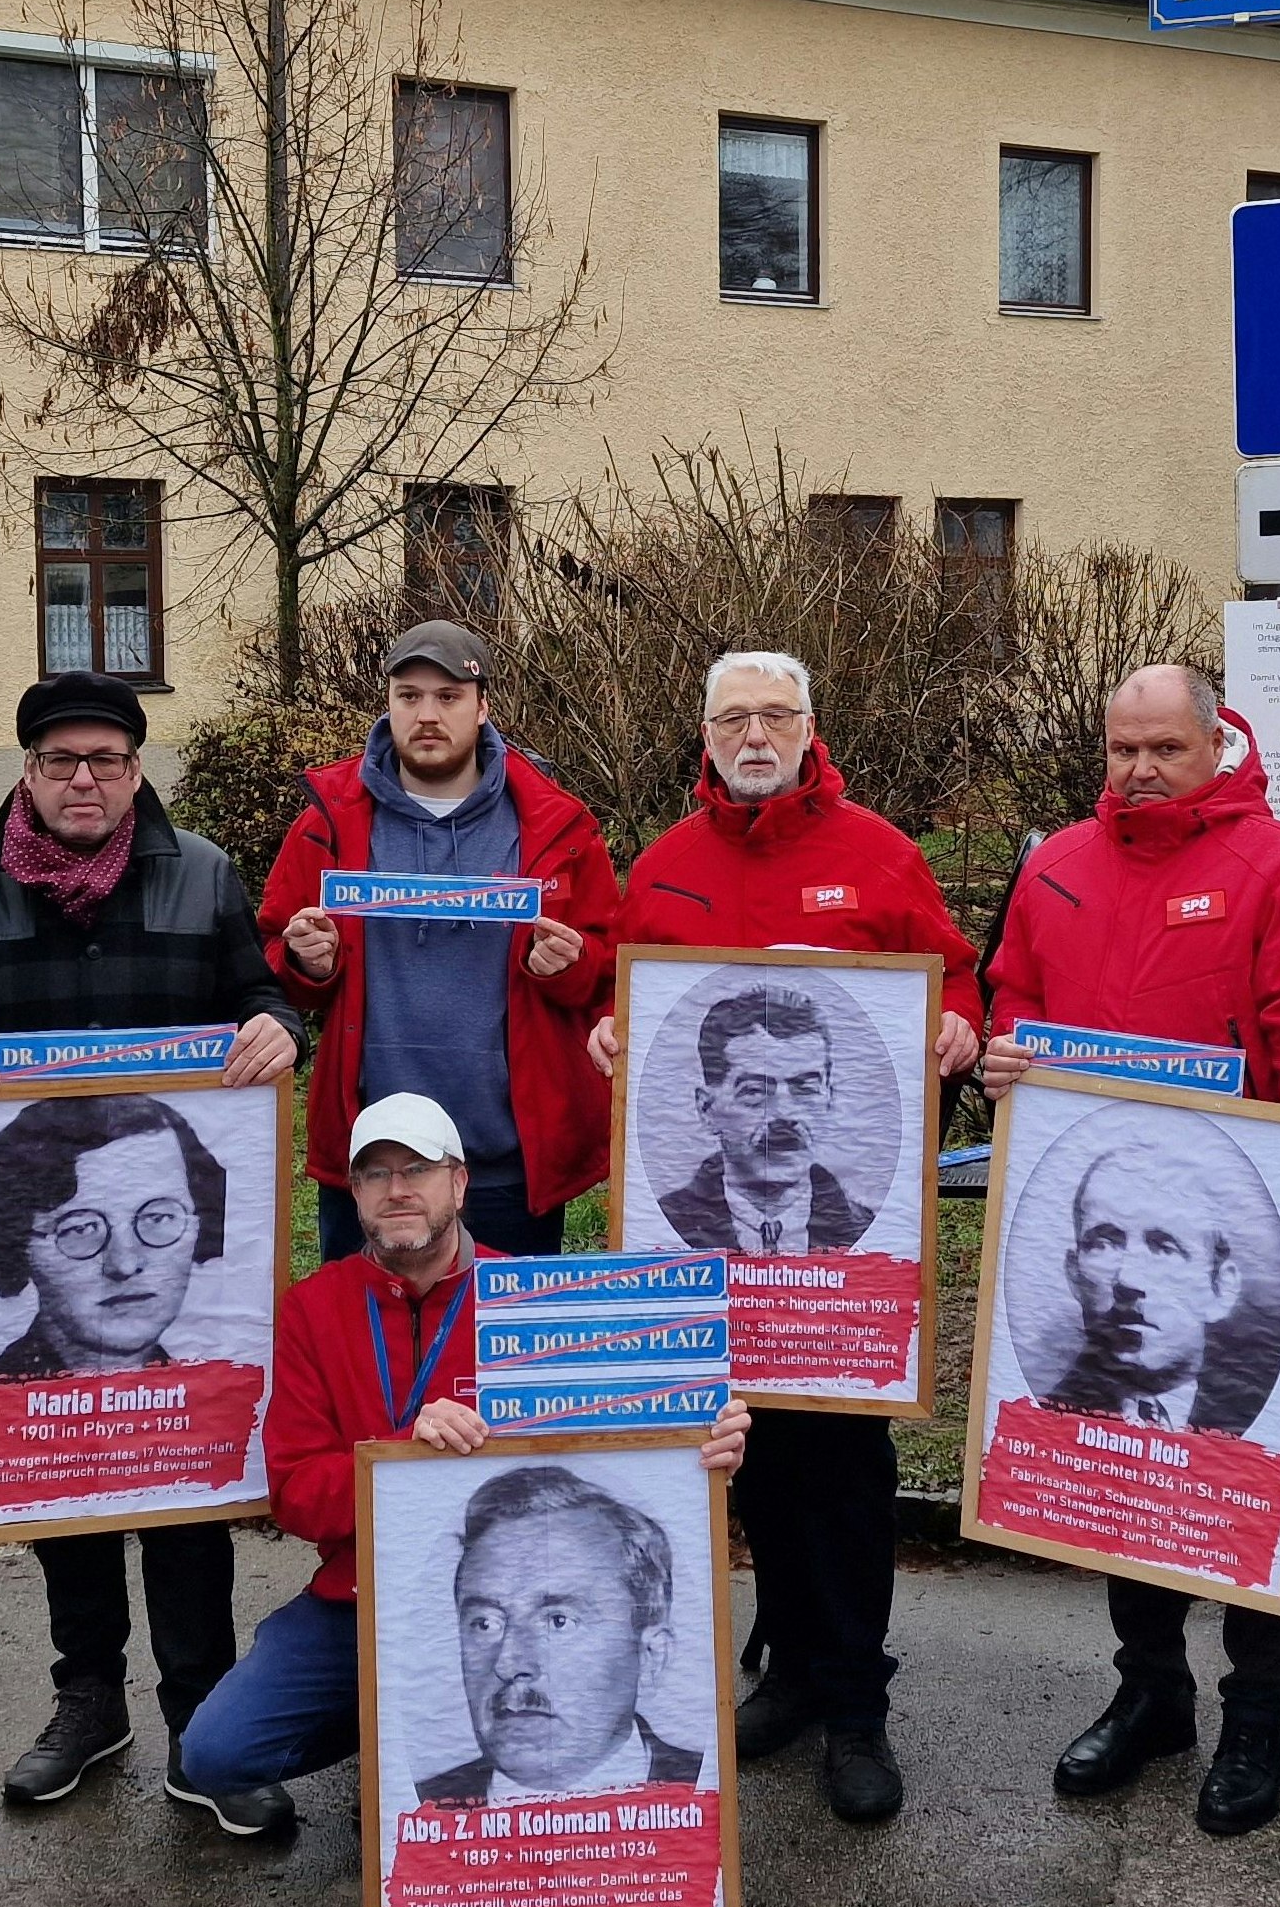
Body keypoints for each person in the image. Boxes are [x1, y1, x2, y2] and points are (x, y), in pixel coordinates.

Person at [0, 671, 306, 1837]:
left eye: (107, 761)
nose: (85, 780)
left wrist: (280, 1023)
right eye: (62, 761)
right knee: (62, 1479)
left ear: (135, 770)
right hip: (45, 1262)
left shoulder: (204, 874)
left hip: (162, 1269)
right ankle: (87, 1701)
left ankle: (198, 1716)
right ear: (26, 771)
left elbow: (261, 995)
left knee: (184, 1491)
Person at [981, 664, 1280, 1835]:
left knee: (1250, 1476)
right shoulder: (1055, 865)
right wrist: (1006, 1060)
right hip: (1106, 1238)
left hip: (1238, 1237)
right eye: (1122, 750)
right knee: (1121, 1468)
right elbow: (1015, 1007)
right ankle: (1150, 1689)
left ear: (1218, 745)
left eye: (1165, 747)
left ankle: (1256, 1713)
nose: (1141, 770)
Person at [589, 649, 983, 1825]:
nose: (753, 733)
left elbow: (955, 979)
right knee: (747, 1459)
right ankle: (797, 1674)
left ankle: (857, 1702)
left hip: (844, 1259)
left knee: (845, 1474)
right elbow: (627, 1004)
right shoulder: (663, 866)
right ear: (702, 732)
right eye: (732, 716)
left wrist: (957, 1028)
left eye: (776, 714)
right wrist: (612, 1037)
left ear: (812, 729)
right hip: (705, 1253)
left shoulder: (876, 854)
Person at [172, 1096, 745, 1821]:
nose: (398, 1190)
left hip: (513, 1609)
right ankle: (384, 1735)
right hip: (361, 1598)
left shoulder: (533, 1299)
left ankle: (407, 1747)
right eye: (375, 1174)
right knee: (213, 1754)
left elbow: (627, 1447)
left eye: (418, 1169)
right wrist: (403, 1459)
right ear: (354, 1194)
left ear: (461, 1183)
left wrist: (708, 1442)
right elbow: (293, 1493)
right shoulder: (315, 1308)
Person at [259, 620, 620, 1264]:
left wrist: (564, 967)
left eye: (448, 696)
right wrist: (304, 963)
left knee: (496, 1354)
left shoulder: (555, 824)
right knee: (368, 1351)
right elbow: (272, 966)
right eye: (409, 695)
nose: (427, 714)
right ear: (388, 704)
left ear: (483, 708)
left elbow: (609, 966)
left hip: (506, 1161)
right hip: (371, 1160)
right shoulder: (329, 821)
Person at [416, 1465, 708, 1806]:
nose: (508, 1663)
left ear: (649, 1657)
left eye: (558, 1621)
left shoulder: (705, 1795)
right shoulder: (418, 1810)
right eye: (485, 1624)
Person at [0, 1095, 224, 1380]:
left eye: (158, 1218)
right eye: (80, 1229)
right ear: (19, 1245)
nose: (124, 1264)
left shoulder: (218, 1401)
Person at [1048, 1130, 1267, 1435]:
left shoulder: (1264, 1433)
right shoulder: (1039, 1424)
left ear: (1221, 1288)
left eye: (1164, 1247)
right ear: (1074, 1275)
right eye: (1104, 1243)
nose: (1127, 1279)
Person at [655, 985, 871, 1253]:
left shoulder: (870, 1236)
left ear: (829, 1098)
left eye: (805, 1088)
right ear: (707, 1109)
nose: (784, 1113)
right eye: (755, 1091)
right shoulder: (660, 1232)